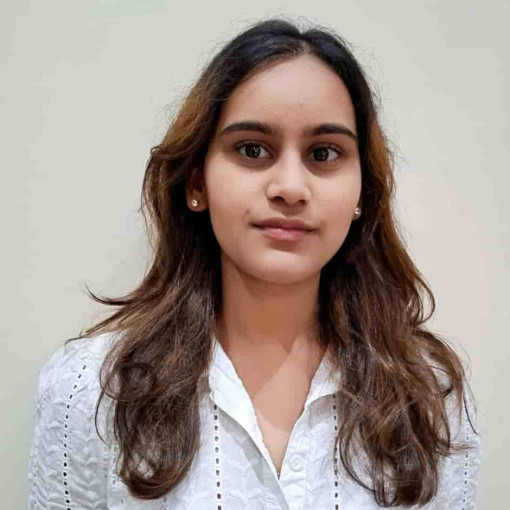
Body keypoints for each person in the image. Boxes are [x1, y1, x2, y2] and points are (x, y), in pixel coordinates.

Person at [27, 17, 482, 509]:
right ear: (197, 182)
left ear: (362, 193)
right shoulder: (89, 388)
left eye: (324, 153)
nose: (290, 187)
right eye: (252, 149)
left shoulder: (430, 396)